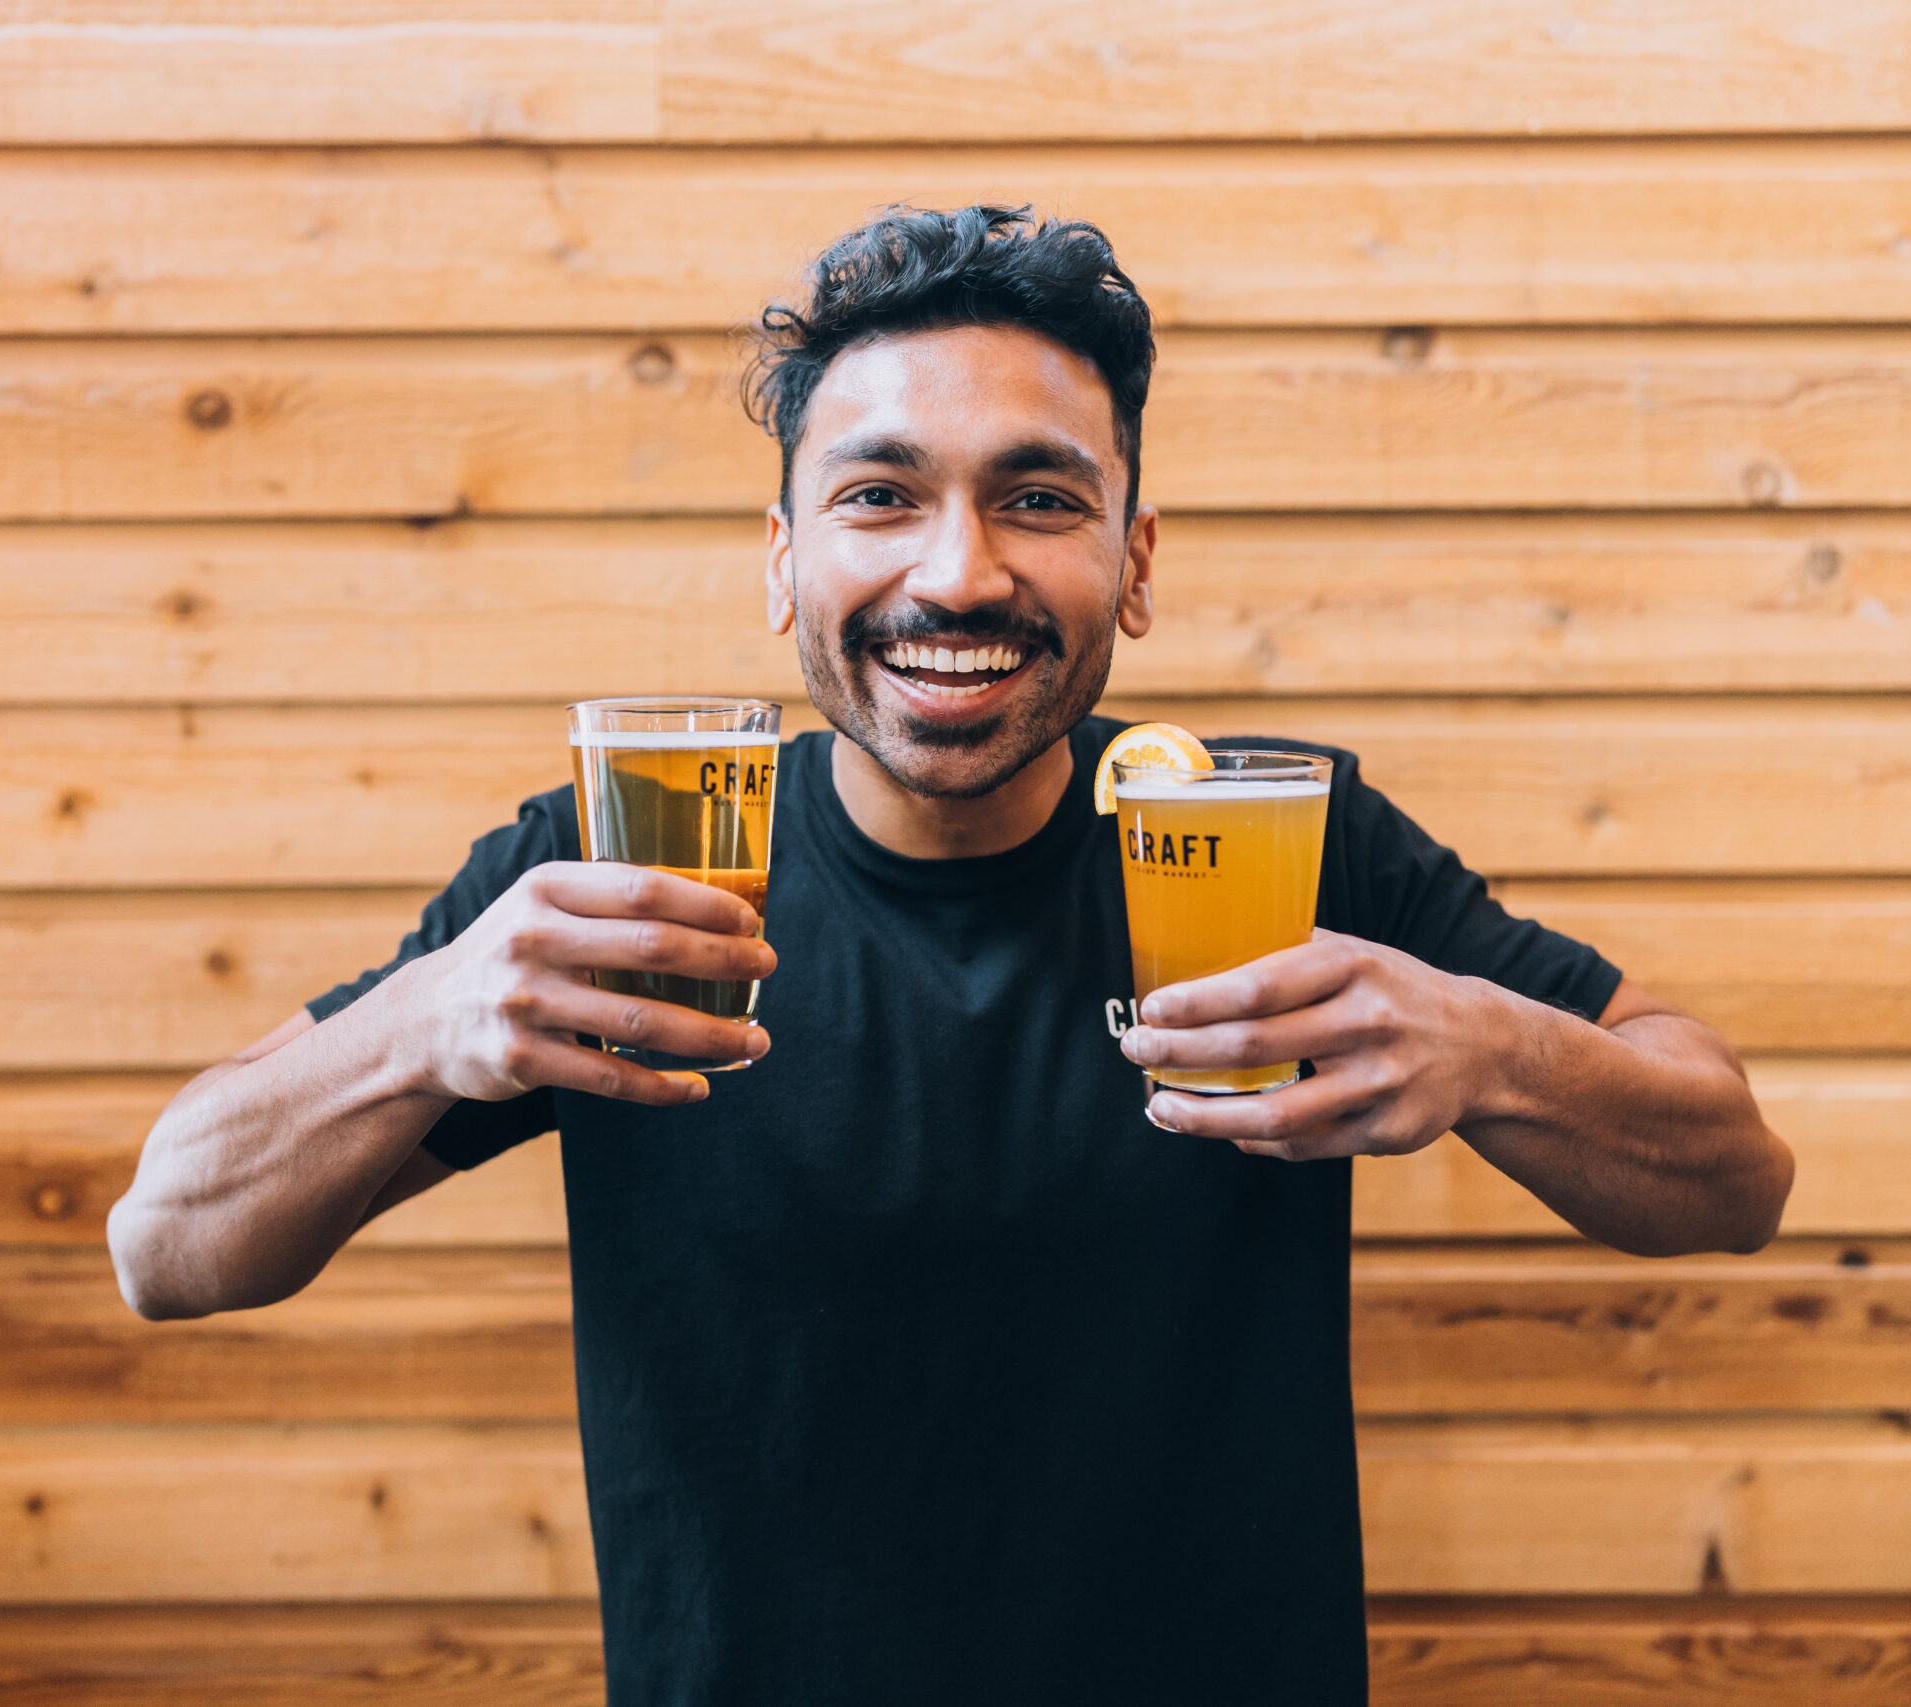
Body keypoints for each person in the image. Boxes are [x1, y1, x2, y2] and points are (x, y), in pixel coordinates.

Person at [110, 205, 1794, 1705]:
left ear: (1132, 563)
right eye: (878, 495)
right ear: (784, 564)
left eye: (1038, 498)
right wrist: (423, 1022)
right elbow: (169, 1246)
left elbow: (1729, 1178)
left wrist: (1495, 1049)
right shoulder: (609, 873)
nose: (956, 571)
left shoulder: (1289, 843)